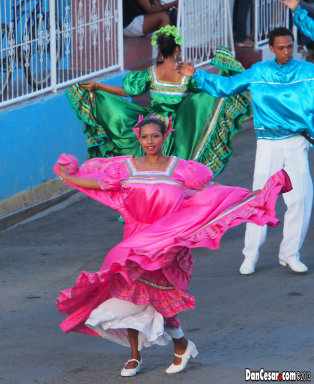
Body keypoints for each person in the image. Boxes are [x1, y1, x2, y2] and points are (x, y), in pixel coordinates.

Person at [55, 117, 291, 376]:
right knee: (128, 297)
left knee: (162, 302)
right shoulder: (126, 169)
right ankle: (135, 356)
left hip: (170, 244)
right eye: (145, 137)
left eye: (155, 136)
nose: (150, 142)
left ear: (165, 136)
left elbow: (212, 192)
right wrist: (70, 177)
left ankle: (181, 345)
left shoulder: (183, 170)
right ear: (138, 138)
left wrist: (250, 196)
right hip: (135, 243)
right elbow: (98, 184)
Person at [178, 27, 314, 275]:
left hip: (297, 141)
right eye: (281, 48)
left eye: (290, 46)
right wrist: (196, 75)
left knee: (301, 199)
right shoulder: (259, 72)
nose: (286, 52)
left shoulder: (309, 72)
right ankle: (250, 256)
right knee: (259, 199)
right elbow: (228, 86)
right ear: (271, 49)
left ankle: (290, 254)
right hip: (268, 143)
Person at [65, 25, 251, 177]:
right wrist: (223, 74)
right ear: (177, 49)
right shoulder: (185, 76)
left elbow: (126, 91)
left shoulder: (151, 73)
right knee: (176, 172)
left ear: (160, 50)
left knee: (147, 169)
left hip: (151, 127)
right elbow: (207, 89)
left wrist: (98, 87)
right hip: (179, 131)